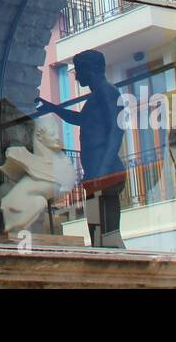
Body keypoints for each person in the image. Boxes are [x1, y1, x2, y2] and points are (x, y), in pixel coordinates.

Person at [35, 49, 126, 246]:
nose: (76, 75)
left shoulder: (107, 92)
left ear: (90, 69)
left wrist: (103, 167)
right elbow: (80, 119)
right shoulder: (96, 97)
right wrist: (52, 108)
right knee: (98, 234)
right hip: (95, 176)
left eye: (78, 70)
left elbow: (116, 130)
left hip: (105, 174)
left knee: (108, 233)